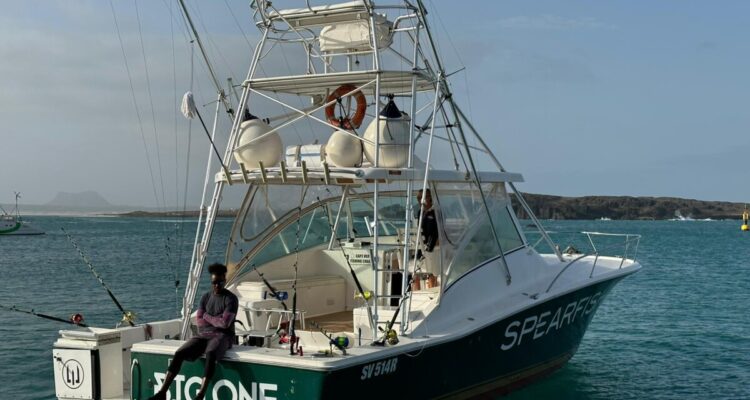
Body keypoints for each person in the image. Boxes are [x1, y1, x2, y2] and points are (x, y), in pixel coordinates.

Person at [149, 263, 239, 400]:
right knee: (179, 353)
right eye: (214, 282)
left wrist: (207, 316)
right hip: (204, 334)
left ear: (224, 281)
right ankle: (162, 392)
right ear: (211, 281)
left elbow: (225, 323)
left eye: (220, 282)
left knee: (211, 353)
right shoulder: (205, 297)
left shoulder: (231, 299)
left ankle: (200, 395)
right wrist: (213, 319)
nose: (217, 285)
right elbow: (199, 321)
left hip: (223, 336)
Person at [415, 189, 440, 287]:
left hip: (435, 246)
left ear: (430, 198)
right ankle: (429, 287)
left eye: (422, 197)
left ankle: (433, 287)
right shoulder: (420, 212)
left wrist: (434, 244)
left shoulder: (436, 212)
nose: (420, 200)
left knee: (434, 271)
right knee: (425, 271)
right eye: (418, 198)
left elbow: (440, 230)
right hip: (423, 246)